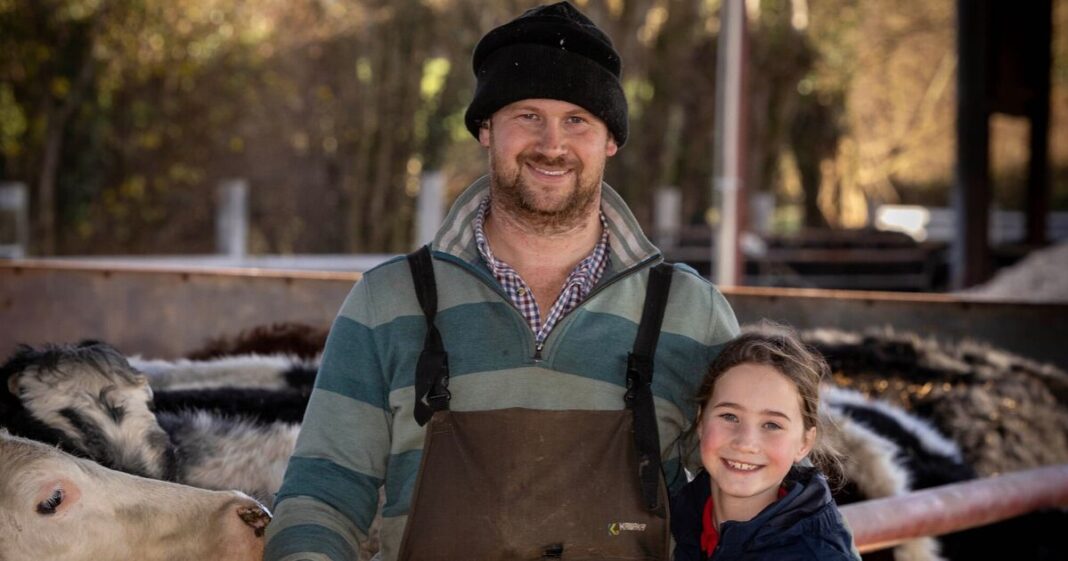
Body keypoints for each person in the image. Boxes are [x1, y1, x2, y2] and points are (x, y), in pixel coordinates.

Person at [264, 2, 739, 560]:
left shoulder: (690, 312)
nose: (552, 144)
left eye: (577, 120)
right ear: (486, 129)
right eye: (527, 115)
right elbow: (320, 501)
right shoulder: (387, 303)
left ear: (610, 140)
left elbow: (759, 497)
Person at [670, 329, 861, 561]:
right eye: (729, 416)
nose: (745, 443)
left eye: (772, 425)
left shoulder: (816, 554)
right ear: (701, 421)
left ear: (804, 443)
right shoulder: (678, 518)